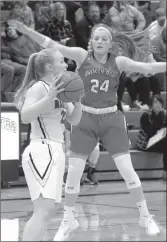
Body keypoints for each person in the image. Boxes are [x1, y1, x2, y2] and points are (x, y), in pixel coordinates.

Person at [11, 21, 166, 240]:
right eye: (96, 38)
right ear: (91, 41)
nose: (100, 41)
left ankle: (145, 215)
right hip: (85, 117)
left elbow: (148, 68)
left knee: (126, 169)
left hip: (111, 117)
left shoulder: (118, 61)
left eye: (104, 38)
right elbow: (52, 44)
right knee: (73, 172)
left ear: (111, 44)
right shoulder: (81, 55)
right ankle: (68, 219)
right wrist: (27, 31)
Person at [14, 48, 82, 241]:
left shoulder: (62, 90)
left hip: (55, 150)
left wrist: (77, 103)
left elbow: (75, 120)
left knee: (48, 210)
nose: (66, 64)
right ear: (50, 66)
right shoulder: (39, 88)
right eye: (61, 61)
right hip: (41, 150)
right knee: (42, 212)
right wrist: (47, 98)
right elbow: (26, 116)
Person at [136, 94, 167, 180]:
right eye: (155, 102)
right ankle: (165, 172)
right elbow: (149, 133)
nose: (158, 104)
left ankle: (165, 171)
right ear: (151, 105)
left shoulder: (164, 115)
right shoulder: (146, 116)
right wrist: (160, 132)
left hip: (159, 141)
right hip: (145, 142)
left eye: (160, 102)